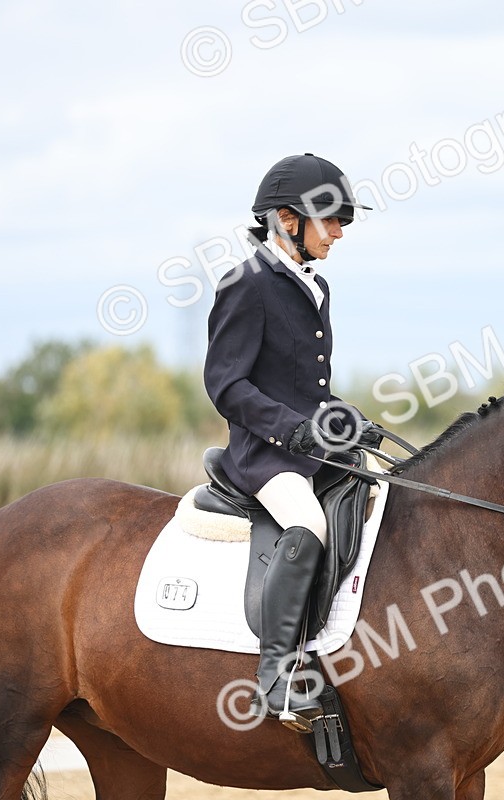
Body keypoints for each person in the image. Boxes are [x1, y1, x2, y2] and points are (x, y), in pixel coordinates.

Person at [204, 153, 377, 732]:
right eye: (330, 221)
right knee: (309, 523)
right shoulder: (246, 284)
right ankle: (275, 676)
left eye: (342, 222)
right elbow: (227, 385)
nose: (339, 233)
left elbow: (308, 387)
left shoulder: (314, 285)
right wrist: (291, 428)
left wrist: (345, 420)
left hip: (311, 450)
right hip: (264, 455)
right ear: (286, 219)